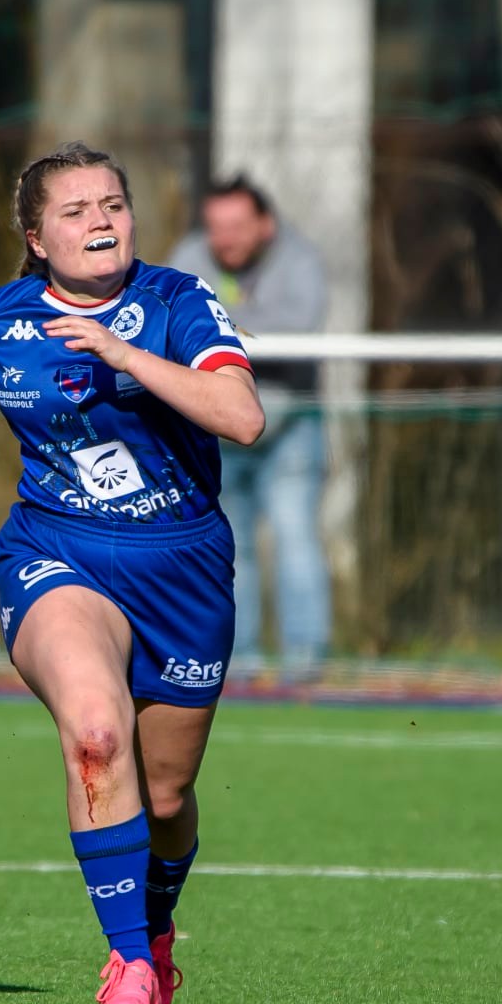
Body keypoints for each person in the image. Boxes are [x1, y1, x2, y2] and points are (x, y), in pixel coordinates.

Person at [0, 141, 263, 1004]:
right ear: (35, 236)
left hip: (182, 568)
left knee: (168, 801)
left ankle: (156, 929)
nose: (99, 221)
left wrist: (123, 354)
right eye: (74, 210)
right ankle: (129, 957)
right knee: (97, 737)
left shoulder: (178, 301)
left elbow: (243, 417)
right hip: (55, 553)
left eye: (112, 203)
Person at [166, 176, 330, 680]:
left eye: (237, 225)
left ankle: (305, 665)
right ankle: (238, 666)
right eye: (217, 227)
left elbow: (296, 328)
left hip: (291, 427)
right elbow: (170, 325)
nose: (226, 239)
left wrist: (220, 329)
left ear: (266, 224)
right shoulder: (188, 258)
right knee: (225, 547)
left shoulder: (300, 262)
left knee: (295, 538)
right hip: (214, 434)